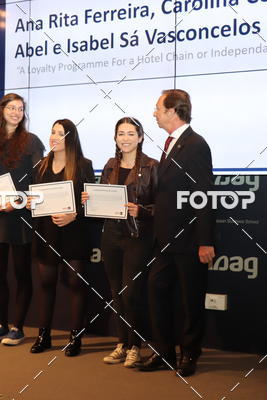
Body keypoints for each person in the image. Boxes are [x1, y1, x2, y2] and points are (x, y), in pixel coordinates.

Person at [137, 89, 215, 377]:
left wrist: (205, 241)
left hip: (190, 239)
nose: (154, 113)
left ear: (172, 111)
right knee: (157, 291)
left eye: (158, 108)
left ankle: (189, 354)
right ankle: (164, 352)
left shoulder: (195, 145)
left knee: (190, 300)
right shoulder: (170, 143)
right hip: (164, 239)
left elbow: (204, 195)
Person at [81, 117, 158, 367]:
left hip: (137, 236)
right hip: (111, 235)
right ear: (115, 137)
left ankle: (135, 345)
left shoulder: (152, 166)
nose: (125, 138)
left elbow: (163, 206)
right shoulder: (110, 165)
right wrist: (89, 200)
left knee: (131, 292)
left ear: (141, 137)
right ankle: (122, 343)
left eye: (131, 133)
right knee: (116, 292)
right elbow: (102, 200)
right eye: (121, 134)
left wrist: (142, 211)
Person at [0, 93, 45, 345]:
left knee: (21, 272)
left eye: (20, 108)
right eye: (12, 108)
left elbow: (39, 178)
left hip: (22, 214)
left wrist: (18, 200)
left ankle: (17, 327)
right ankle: (1, 325)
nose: (16, 112)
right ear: (2, 111)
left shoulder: (32, 141)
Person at [27, 119, 95, 357]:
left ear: (70, 138)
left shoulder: (84, 165)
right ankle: (43, 335)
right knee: (46, 284)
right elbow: (34, 198)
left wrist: (74, 215)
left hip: (75, 233)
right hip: (46, 232)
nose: (54, 137)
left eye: (60, 133)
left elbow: (91, 202)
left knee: (76, 285)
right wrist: (31, 202)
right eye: (52, 132)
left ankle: (76, 337)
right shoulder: (41, 165)